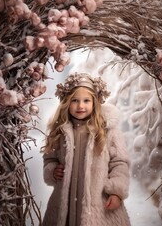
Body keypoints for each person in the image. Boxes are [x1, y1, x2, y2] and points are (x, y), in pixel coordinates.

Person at [41, 72, 131, 226]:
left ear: (94, 102)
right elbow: (50, 158)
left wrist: (116, 192)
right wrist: (52, 169)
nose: (81, 106)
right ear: (66, 103)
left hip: (99, 206)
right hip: (65, 205)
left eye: (86, 100)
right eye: (74, 100)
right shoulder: (60, 132)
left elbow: (120, 163)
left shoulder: (108, 131)